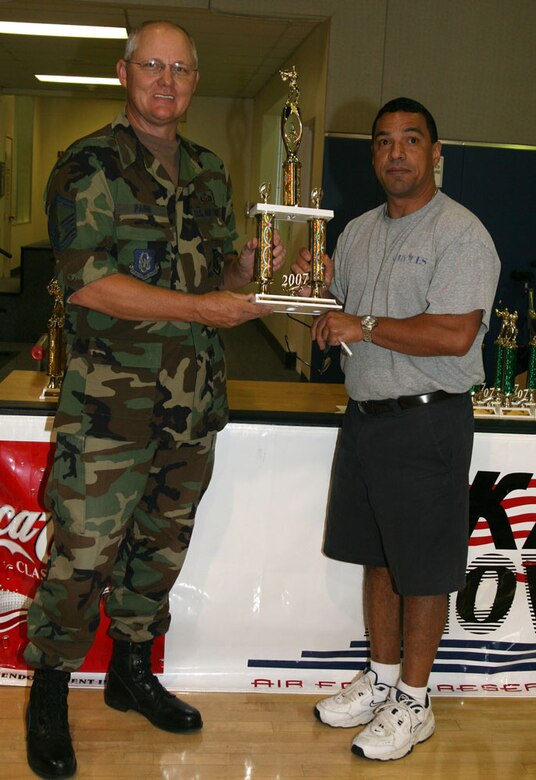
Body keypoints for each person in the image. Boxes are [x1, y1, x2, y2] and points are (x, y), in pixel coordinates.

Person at [24, 20, 284, 779]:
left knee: (158, 554)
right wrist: (204, 309)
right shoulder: (89, 166)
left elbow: (217, 281)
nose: (166, 80)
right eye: (152, 66)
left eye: (180, 68)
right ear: (124, 72)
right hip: (111, 414)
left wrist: (247, 270)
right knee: (80, 561)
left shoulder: (208, 171)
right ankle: (48, 693)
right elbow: (87, 285)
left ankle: (129, 676)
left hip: (192, 406)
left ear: (195, 81)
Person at [293, 97, 500, 761]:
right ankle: (381, 681)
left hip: (427, 420)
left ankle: (415, 699)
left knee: (424, 570)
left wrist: (367, 326)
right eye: (383, 142)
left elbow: (454, 333)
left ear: (436, 154)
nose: (396, 153)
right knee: (378, 558)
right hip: (367, 420)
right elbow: (342, 320)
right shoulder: (355, 234)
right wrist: (309, 294)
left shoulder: (461, 234)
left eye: (412, 140)